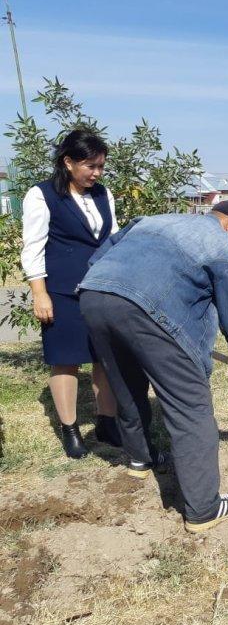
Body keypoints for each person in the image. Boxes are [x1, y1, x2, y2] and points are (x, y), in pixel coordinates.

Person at [78, 201, 228, 533]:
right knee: (191, 405)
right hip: (146, 310)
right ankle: (204, 508)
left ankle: (140, 458)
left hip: (94, 294)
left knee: (125, 383)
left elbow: (98, 257)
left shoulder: (152, 219)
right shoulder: (224, 247)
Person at [20, 129, 120, 459]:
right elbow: (32, 248)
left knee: (105, 358)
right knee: (65, 361)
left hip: (102, 289)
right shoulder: (42, 195)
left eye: (101, 166)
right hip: (62, 291)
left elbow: (113, 238)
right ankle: (70, 429)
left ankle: (107, 423)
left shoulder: (104, 194)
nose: (97, 173)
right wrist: (40, 293)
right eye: (90, 166)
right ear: (68, 162)